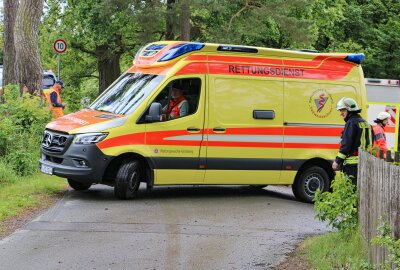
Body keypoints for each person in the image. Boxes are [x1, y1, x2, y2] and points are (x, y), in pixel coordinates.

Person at [332, 97, 373, 185]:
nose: (341, 113)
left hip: (352, 166)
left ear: (349, 110)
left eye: (343, 110)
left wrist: (337, 161)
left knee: (351, 189)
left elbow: (346, 145)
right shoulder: (366, 124)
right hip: (366, 163)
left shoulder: (351, 123)